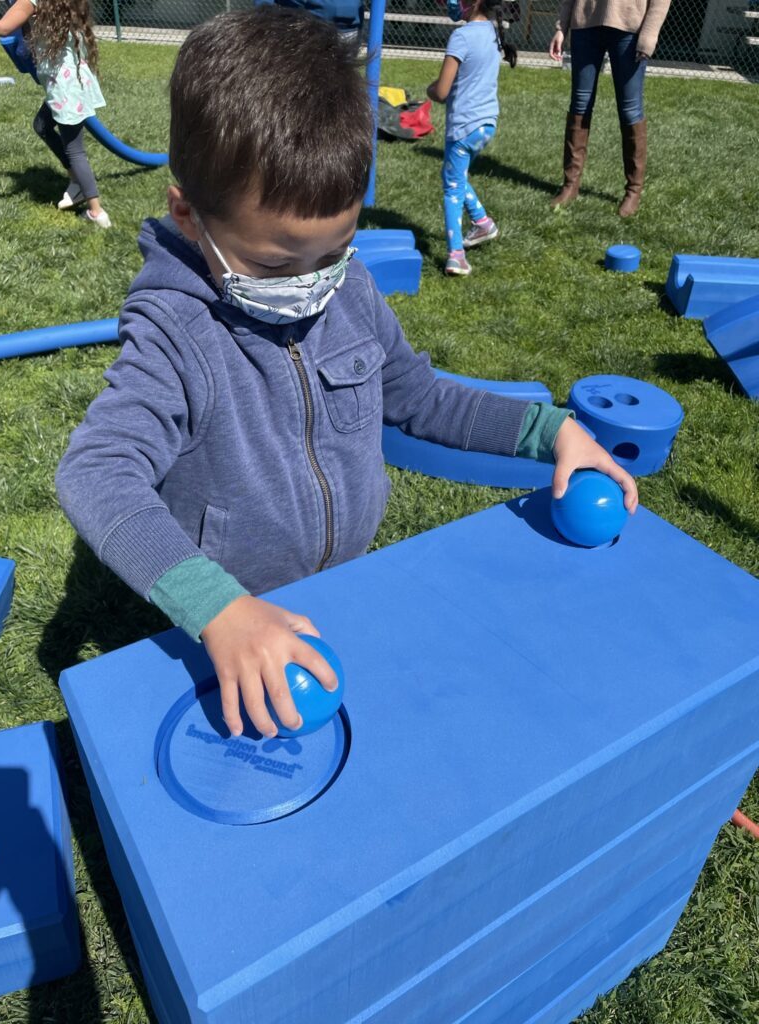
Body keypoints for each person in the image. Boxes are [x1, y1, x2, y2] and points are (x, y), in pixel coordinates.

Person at [56, 7, 637, 742]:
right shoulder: (176, 332)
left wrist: (549, 431)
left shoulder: (350, 292)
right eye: (274, 263)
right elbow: (96, 473)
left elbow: (420, 397)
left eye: (333, 251)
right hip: (233, 612)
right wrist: (218, 609)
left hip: (347, 585)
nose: (309, 284)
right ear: (188, 217)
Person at [0, 0, 110, 226]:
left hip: (65, 89)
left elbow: (2, 28)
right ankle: (76, 183)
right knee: (42, 126)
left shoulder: (31, 2)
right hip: (72, 81)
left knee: (75, 151)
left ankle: (97, 212)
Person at [548, 0, 671, 217]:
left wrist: (649, 35)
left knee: (630, 109)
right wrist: (561, 28)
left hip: (630, 29)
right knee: (579, 103)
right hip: (585, 25)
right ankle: (570, 185)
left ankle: (633, 190)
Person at [428, 0, 516, 277]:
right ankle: (483, 223)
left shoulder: (461, 37)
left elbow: (442, 91)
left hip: (463, 127)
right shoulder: (492, 32)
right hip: (486, 125)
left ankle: (457, 256)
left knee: (452, 187)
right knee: (454, 175)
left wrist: (429, 89)